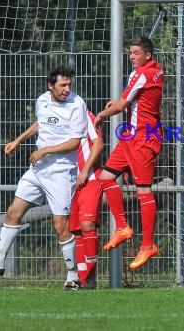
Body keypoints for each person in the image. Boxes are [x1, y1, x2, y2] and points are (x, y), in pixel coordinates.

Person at [0, 66, 88, 290]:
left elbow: (74, 142)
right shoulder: (42, 100)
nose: (67, 89)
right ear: (50, 85)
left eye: (69, 84)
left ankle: (73, 276)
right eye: (62, 84)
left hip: (61, 172)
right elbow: (41, 123)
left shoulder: (77, 104)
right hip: (38, 170)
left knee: (61, 225)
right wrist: (18, 140)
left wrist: (44, 151)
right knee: (14, 211)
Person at [94, 36, 165, 270]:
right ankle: (123, 227)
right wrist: (116, 104)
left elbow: (123, 105)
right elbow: (132, 100)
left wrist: (102, 116)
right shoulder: (155, 71)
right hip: (131, 138)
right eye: (130, 52)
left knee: (143, 191)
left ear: (147, 55)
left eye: (135, 53)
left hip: (143, 139)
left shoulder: (141, 74)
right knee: (105, 177)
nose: (131, 56)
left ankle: (147, 245)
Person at [69, 110, 104, 289]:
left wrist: (84, 171)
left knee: (86, 225)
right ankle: (81, 279)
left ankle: (90, 277)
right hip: (68, 183)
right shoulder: (54, 115)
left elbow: (99, 144)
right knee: (75, 231)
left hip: (89, 179)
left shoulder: (84, 115)